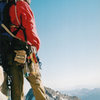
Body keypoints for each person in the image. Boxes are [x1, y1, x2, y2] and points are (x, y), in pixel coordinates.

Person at [1, 0, 48, 100]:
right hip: (26, 53)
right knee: (36, 83)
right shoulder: (22, 5)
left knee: (17, 90)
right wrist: (35, 47)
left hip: (11, 53)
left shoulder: (6, 6)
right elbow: (30, 27)